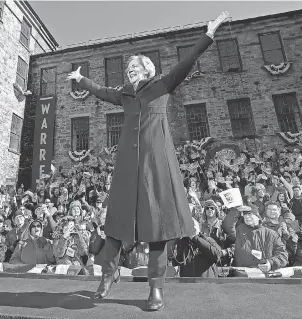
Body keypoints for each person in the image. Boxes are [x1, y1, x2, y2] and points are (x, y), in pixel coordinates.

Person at [67, 11, 229, 310]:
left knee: (157, 229)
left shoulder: (162, 86)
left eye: (134, 66)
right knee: (116, 224)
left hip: (156, 164)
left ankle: (156, 288)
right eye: (127, 67)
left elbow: (187, 62)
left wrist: (208, 34)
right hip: (128, 166)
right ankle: (108, 274)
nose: (130, 70)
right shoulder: (124, 96)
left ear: (147, 69)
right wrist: (81, 79)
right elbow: (101, 92)